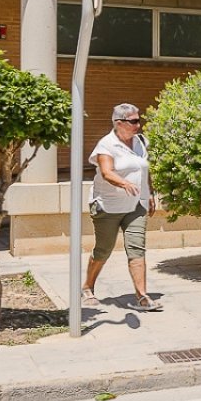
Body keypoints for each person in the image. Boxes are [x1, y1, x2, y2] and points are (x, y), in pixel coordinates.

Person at [83, 102, 161, 312]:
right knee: (104, 249)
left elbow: (145, 170)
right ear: (119, 123)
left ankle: (142, 296)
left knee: (137, 248)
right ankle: (88, 287)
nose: (139, 124)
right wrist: (124, 182)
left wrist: (150, 193)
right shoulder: (105, 145)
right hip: (109, 205)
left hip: (137, 204)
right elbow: (107, 172)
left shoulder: (140, 141)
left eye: (139, 120)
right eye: (134, 121)